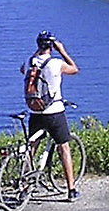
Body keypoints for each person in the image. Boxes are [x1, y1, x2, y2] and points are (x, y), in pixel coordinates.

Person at [25, 31, 82, 201]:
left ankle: (24, 185)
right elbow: (74, 69)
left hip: (35, 112)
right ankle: (71, 190)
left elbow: (23, 71)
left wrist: (35, 55)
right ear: (51, 46)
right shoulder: (56, 63)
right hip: (54, 112)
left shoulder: (29, 62)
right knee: (64, 147)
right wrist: (63, 51)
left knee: (31, 148)